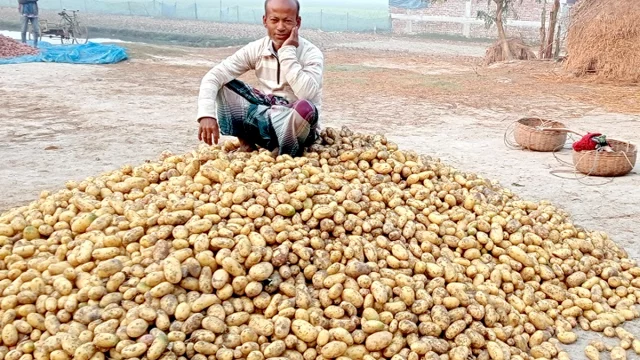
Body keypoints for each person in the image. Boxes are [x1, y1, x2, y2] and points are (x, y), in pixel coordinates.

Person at [196, 0, 324, 157]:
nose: (281, 27)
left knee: (306, 108)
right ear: (265, 21)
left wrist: (287, 52)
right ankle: (247, 145)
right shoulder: (257, 49)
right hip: (267, 117)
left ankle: (286, 156)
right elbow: (213, 76)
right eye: (274, 20)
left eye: (287, 21)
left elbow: (306, 94)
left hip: (297, 125)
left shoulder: (311, 53)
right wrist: (206, 115)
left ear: (298, 22)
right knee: (224, 83)